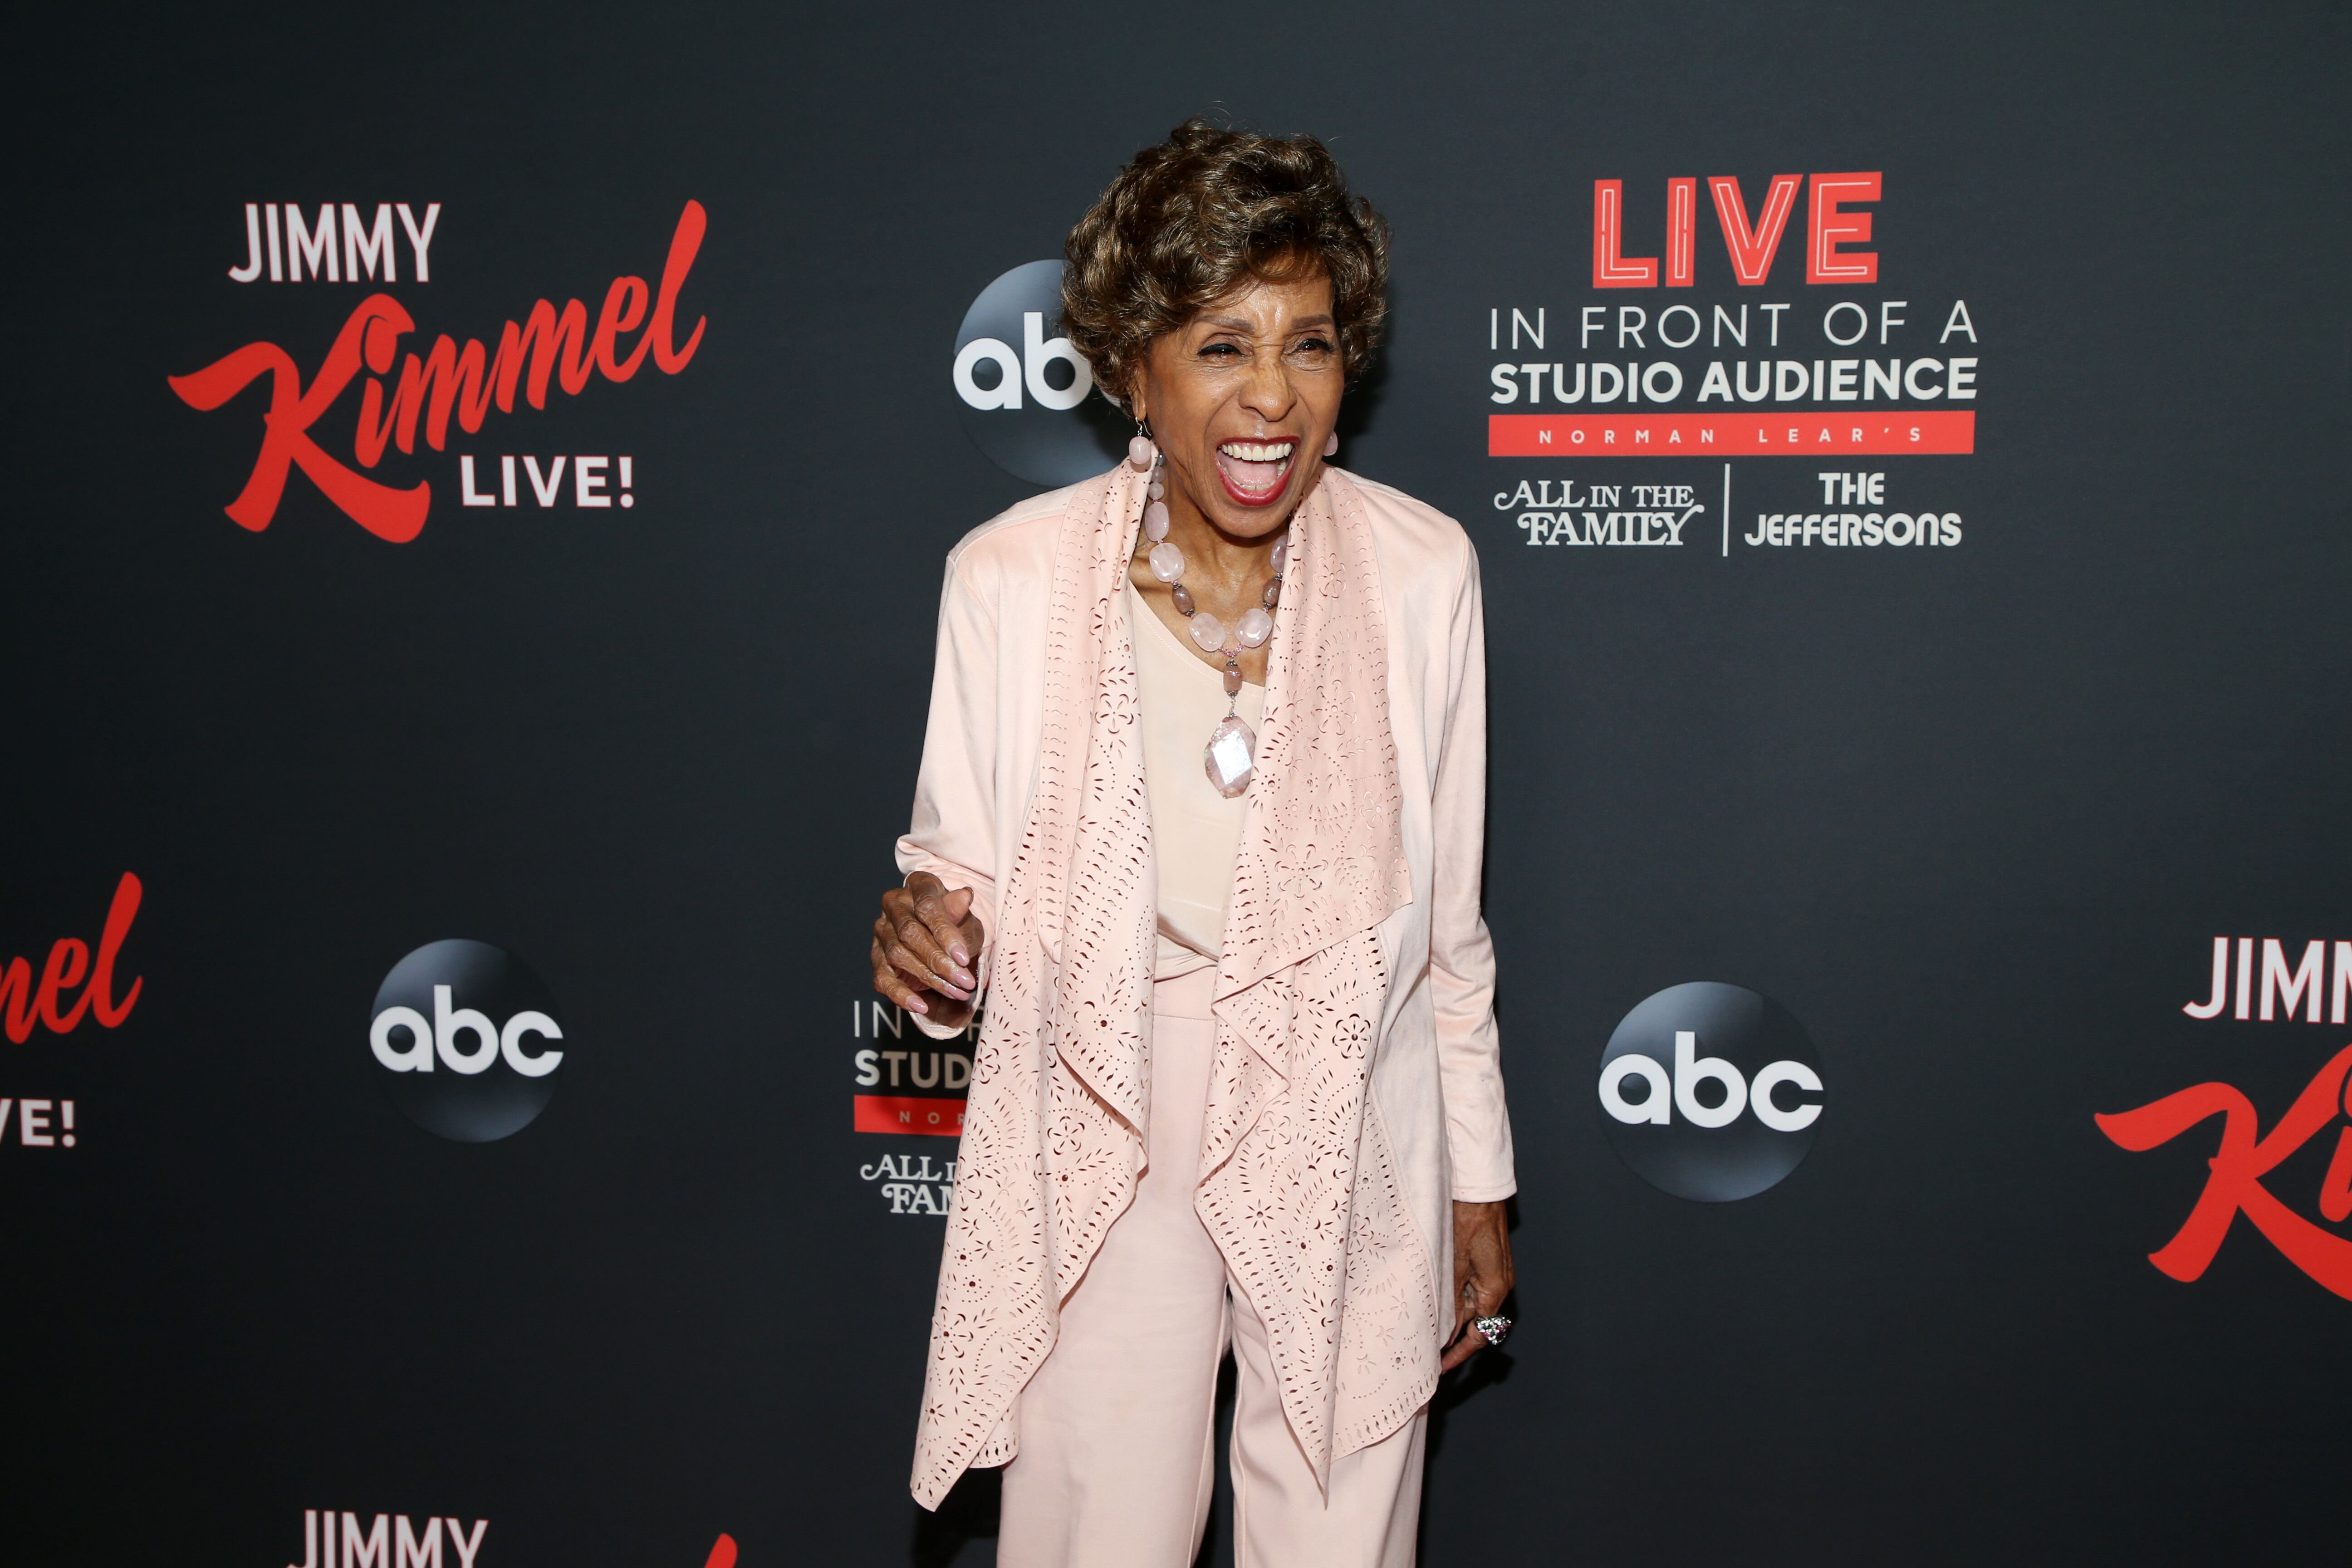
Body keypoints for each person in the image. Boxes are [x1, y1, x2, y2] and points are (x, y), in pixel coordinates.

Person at [871, 119, 1515, 1568]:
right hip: (1108, 1106)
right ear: (1131, 370)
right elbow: (950, 876)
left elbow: (1453, 927)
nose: (1272, 396)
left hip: (1356, 1096)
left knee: (1344, 1540)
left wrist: (1479, 1179)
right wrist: (926, 935)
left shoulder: (1424, 572)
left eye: (1312, 343)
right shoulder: (1011, 579)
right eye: (1223, 346)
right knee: (1094, 1535)